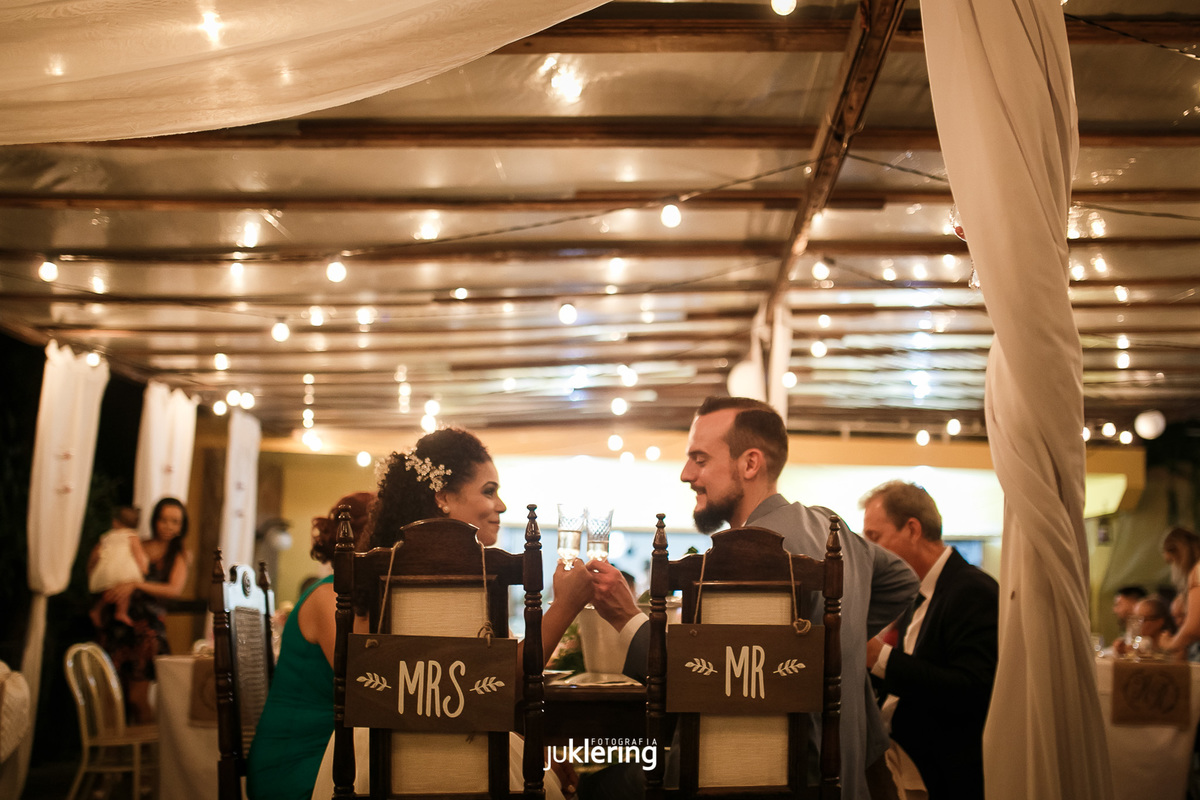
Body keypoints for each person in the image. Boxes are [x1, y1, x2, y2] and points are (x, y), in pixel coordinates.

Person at [586, 396, 919, 800]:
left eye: (700, 459)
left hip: (773, 780)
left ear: (750, 464)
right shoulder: (830, 526)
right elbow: (903, 580)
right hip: (844, 782)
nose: (686, 474)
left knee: (597, 783)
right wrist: (830, 637)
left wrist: (625, 616)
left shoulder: (746, 553)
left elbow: (698, 681)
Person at [306, 427, 591, 800]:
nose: (501, 505)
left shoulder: (384, 574)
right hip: (468, 758)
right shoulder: (464, 576)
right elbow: (504, 689)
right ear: (443, 497)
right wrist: (565, 605)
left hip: (371, 760)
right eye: (489, 490)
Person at [860, 480, 999, 800]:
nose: (869, 551)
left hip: (944, 775)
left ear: (912, 529)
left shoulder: (973, 590)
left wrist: (878, 656)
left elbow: (972, 690)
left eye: (874, 537)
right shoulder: (917, 592)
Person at [247, 491, 375, 800]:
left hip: (332, 751)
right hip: (296, 760)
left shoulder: (351, 598)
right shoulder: (328, 597)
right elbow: (362, 683)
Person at [92, 496, 192, 723]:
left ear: (182, 526)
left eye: (175, 521)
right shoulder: (137, 543)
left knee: (137, 699)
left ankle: (148, 745)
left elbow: (174, 589)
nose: (168, 526)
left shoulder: (179, 555)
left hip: (147, 630)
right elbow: (109, 565)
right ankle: (117, 745)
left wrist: (135, 584)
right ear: (154, 520)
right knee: (113, 697)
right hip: (118, 625)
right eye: (163, 519)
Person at [88, 505, 148, 627]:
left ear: (115, 522)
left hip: (107, 569)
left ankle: (97, 610)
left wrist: (92, 569)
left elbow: (96, 555)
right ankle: (121, 612)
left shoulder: (107, 536)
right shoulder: (132, 536)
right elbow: (138, 554)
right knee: (124, 592)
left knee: (108, 592)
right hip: (123, 570)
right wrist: (143, 567)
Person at [1158, 527, 1200, 659]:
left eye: (1171, 561)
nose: (1173, 570)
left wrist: (1169, 643)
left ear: (1179, 553)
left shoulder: (1198, 570)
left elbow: (1193, 629)